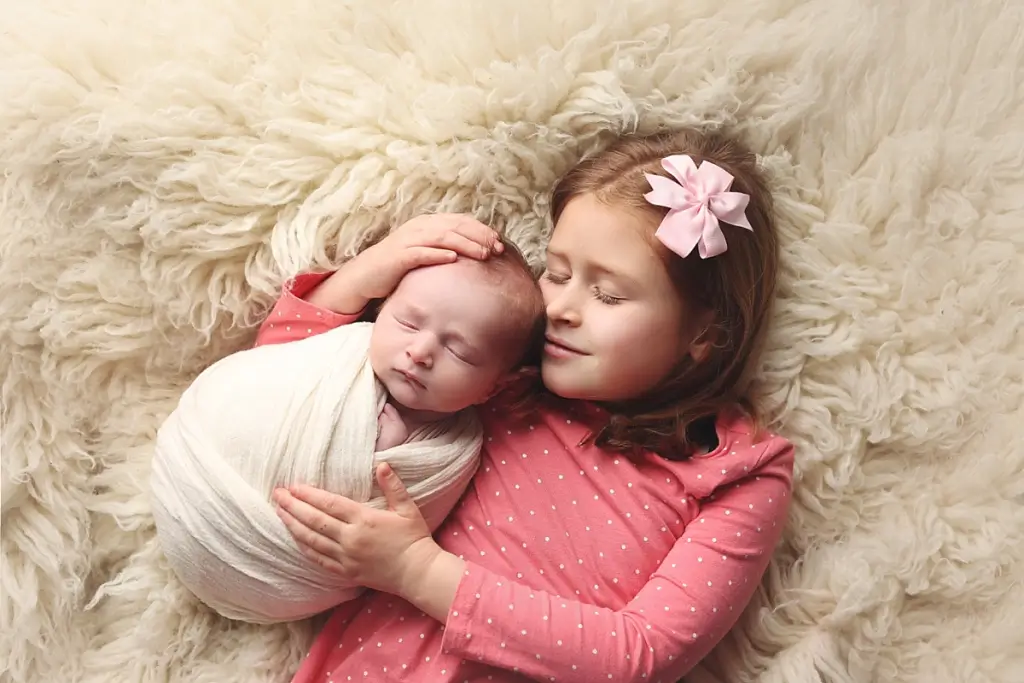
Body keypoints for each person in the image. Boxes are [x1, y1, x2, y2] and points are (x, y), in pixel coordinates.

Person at [268, 129, 794, 682]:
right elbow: (279, 399)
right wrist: (365, 274)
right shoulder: (494, 377)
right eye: (557, 273)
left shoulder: (741, 472)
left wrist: (414, 570)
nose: (561, 307)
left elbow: (640, 655)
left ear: (705, 330)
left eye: (608, 295)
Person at [149, 230, 545, 623]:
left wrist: (373, 460)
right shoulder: (340, 348)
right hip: (193, 482)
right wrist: (371, 266)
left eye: (458, 350)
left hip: (284, 579)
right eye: (408, 322)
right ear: (381, 308)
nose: (421, 352)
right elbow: (276, 344)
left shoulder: (455, 449)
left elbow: (398, 536)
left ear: (495, 387)